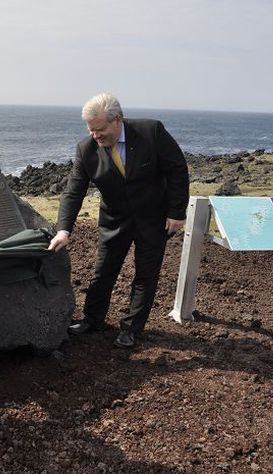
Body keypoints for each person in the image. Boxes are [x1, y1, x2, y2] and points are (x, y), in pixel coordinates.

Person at [49, 92, 189, 348]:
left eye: (100, 129)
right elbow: (74, 190)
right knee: (103, 273)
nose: (96, 136)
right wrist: (63, 230)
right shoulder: (86, 149)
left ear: (117, 120)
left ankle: (131, 329)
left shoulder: (151, 132)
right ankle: (92, 320)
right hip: (114, 221)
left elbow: (177, 168)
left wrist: (176, 212)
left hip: (153, 218)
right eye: (91, 130)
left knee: (146, 276)